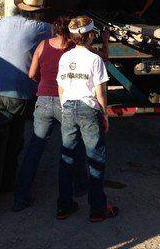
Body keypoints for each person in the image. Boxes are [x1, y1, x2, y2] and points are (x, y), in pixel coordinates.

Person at [0, 0, 53, 191]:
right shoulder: (46, 29)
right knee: (14, 137)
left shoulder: (4, 22)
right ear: (40, 10)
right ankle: (7, 183)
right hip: (22, 91)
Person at [56, 16, 119, 222]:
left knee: (67, 158)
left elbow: (61, 86)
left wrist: (65, 107)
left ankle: (64, 206)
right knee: (96, 158)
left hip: (68, 107)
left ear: (73, 37)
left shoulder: (65, 57)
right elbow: (100, 92)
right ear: (91, 35)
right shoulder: (95, 59)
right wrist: (104, 114)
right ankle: (98, 209)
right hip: (88, 109)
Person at [12, 15, 76, 211]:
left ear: (55, 29)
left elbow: (32, 74)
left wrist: (43, 82)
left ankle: (21, 198)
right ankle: (77, 190)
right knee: (72, 148)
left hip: (43, 102)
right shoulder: (74, 48)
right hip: (66, 103)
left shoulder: (43, 45)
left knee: (35, 148)